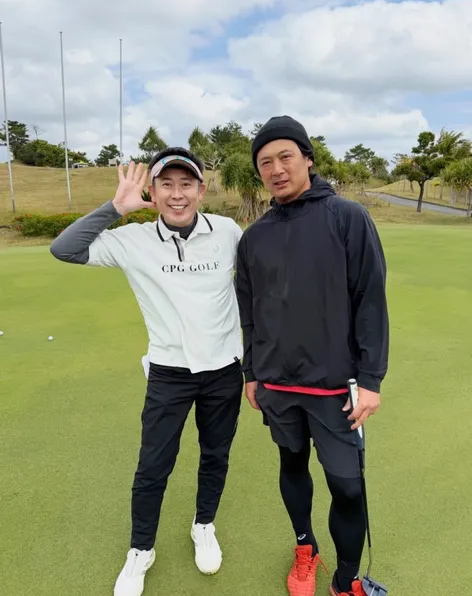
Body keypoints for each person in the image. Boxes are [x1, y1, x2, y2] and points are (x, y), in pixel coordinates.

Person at [50, 148, 244, 596]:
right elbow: (64, 249)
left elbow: (260, 283)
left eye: (186, 184)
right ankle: (141, 549)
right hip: (169, 373)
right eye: (166, 185)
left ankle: (203, 525)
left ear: (201, 190)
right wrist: (115, 208)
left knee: (215, 454)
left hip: (223, 370)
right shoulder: (132, 239)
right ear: (152, 192)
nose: (177, 195)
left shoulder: (227, 231)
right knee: (153, 466)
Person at [235, 117, 389, 596]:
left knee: (347, 486)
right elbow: (249, 312)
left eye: (285, 157)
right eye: (265, 162)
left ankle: (346, 580)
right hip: (278, 386)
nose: (276, 169)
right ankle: (306, 548)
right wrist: (251, 373)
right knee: (292, 466)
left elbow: (370, 300)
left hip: (336, 388)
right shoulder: (254, 237)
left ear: (307, 158)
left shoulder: (347, 217)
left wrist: (371, 379)